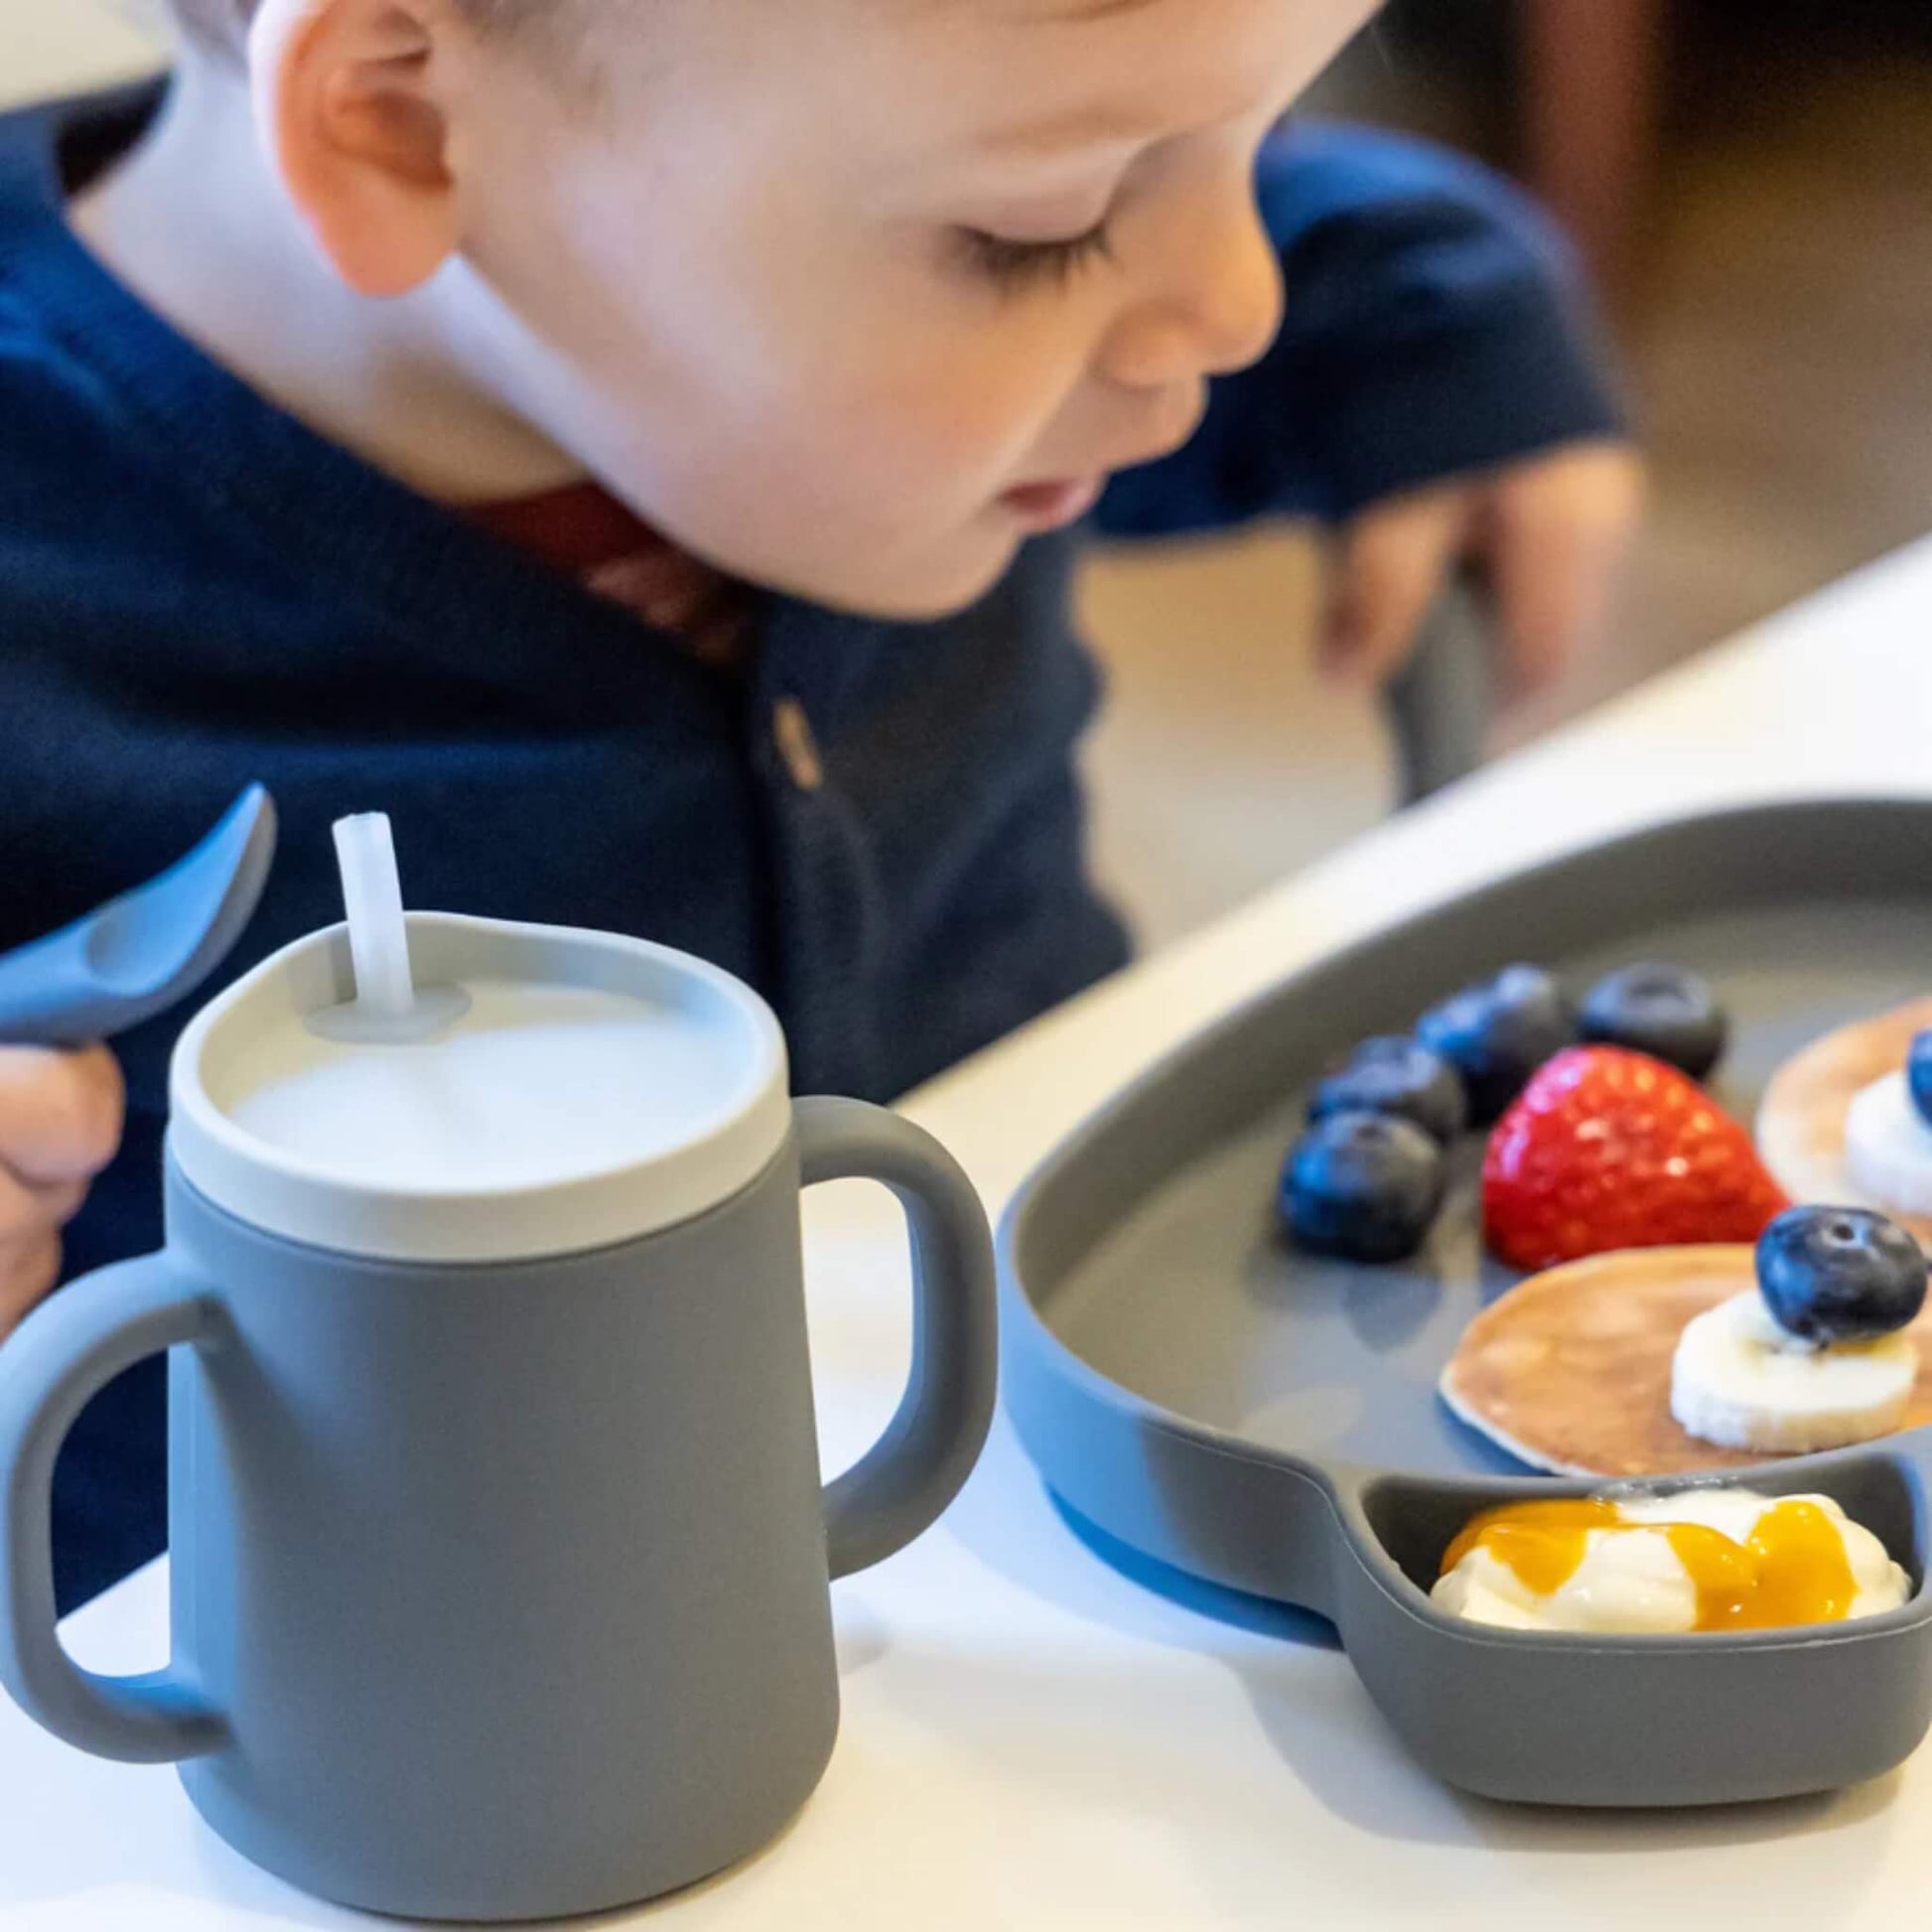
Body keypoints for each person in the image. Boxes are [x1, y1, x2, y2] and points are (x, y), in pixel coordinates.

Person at [0, 0, 1641, 1610]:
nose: (1234, 302)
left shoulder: (885, 273)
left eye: (1258, 130)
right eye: (1043, 227)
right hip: (391, 1715)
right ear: (402, 118)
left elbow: (1287, 217)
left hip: (1058, 1517)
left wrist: (1457, 322)